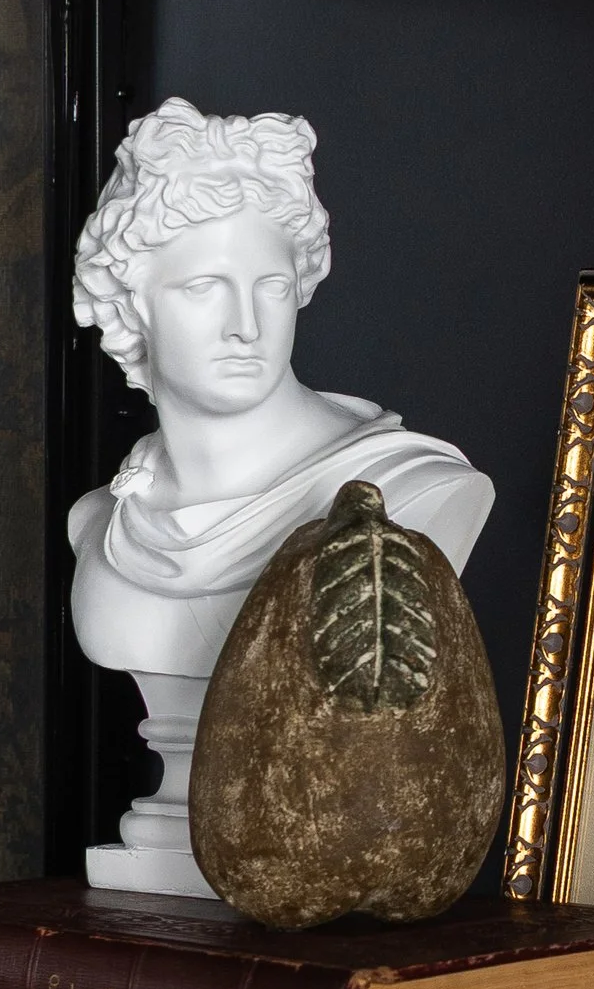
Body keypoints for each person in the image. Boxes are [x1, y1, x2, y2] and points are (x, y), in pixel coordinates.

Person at [68, 99, 490, 897]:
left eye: (269, 284)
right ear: (133, 305)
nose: (245, 325)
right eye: (203, 287)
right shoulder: (102, 523)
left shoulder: (412, 491)